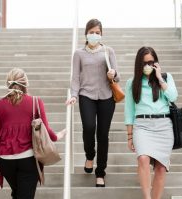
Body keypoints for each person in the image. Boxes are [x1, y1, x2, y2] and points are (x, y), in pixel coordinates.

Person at [0, 68, 66, 199]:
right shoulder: (36, 102)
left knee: (18, 193)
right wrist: (58, 135)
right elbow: (45, 130)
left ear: (7, 83)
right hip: (28, 159)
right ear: (26, 83)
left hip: (5, 161)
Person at [66, 18, 120, 187]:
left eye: (98, 33)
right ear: (86, 34)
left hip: (106, 96)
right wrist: (74, 94)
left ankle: (100, 172)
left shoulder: (108, 51)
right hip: (86, 95)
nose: (95, 35)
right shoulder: (79, 53)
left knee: (103, 135)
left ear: (101, 34)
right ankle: (90, 155)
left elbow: (118, 76)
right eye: (92, 32)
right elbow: (75, 77)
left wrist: (113, 74)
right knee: (89, 127)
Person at [124, 47, 178, 199]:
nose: (147, 66)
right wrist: (129, 136)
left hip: (164, 126)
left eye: (151, 62)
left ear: (156, 63)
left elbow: (173, 97)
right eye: (144, 63)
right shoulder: (132, 83)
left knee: (160, 168)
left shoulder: (166, 78)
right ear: (138, 64)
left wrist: (160, 78)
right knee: (142, 158)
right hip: (142, 126)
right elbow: (129, 110)